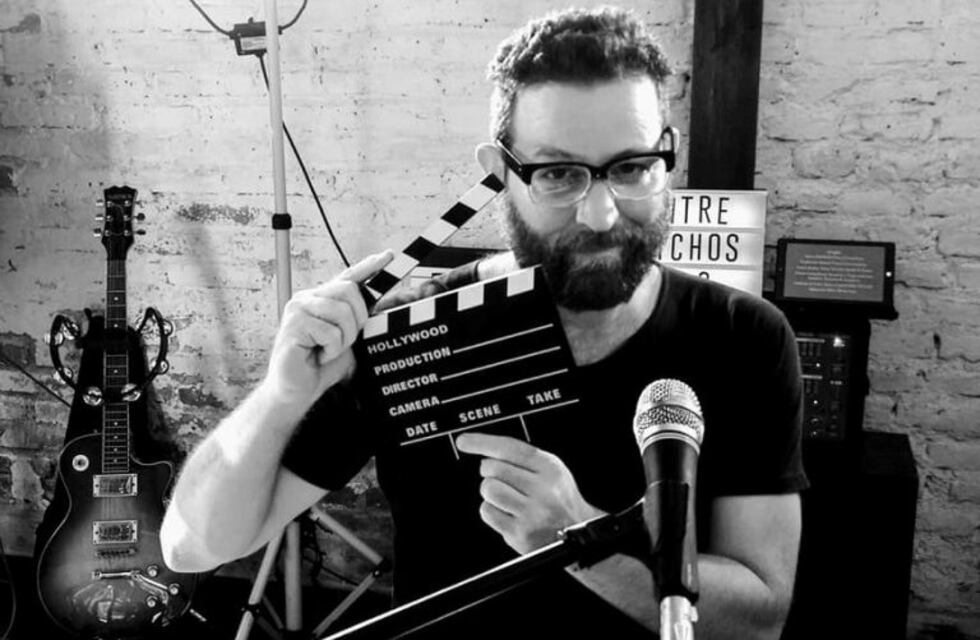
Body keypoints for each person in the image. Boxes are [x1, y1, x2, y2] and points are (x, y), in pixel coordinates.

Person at [162, 6, 807, 639]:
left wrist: (577, 538)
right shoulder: (407, 336)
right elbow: (191, 547)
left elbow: (760, 617)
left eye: (633, 167)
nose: (603, 214)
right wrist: (280, 398)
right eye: (558, 174)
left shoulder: (745, 339)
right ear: (499, 173)